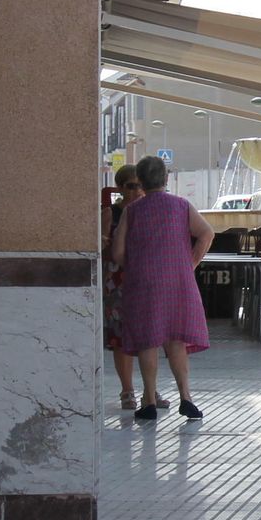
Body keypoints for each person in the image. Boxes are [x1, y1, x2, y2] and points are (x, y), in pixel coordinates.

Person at [111, 155, 215, 422]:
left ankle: (148, 401)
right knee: (176, 340)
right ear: (166, 179)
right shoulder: (181, 206)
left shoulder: (132, 211)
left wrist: (137, 264)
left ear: (141, 181)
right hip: (178, 281)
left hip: (143, 283)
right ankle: (186, 398)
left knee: (148, 340)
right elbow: (206, 233)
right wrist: (190, 264)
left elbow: (118, 252)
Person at [101, 165, 167, 411]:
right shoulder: (111, 213)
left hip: (146, 278)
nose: (137, 191)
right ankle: (127, 390)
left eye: (140, 185)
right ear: (120, 188)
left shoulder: (148, 210)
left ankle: (150, 390)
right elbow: (102, 246)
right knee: (121, 337)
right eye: (131, 186)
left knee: (149, 335)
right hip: (118, 280)